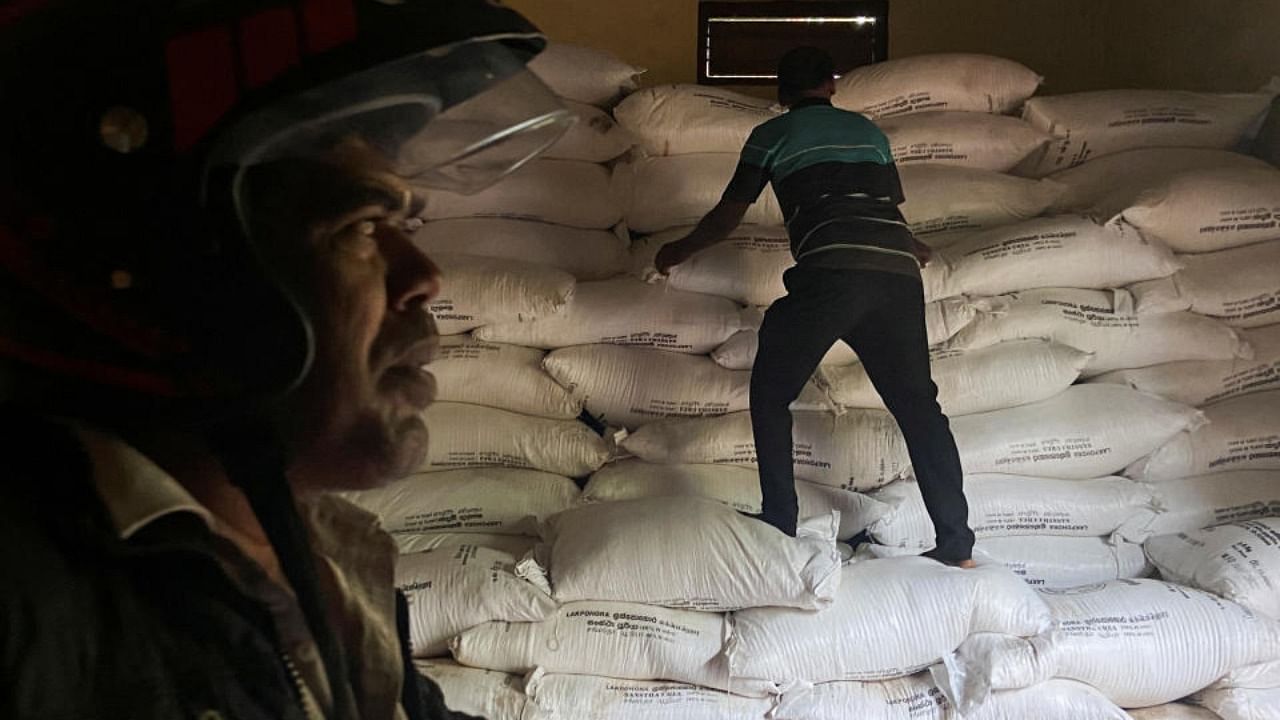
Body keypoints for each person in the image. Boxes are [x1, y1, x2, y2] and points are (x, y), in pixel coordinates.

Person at [0, 1, 574, 719]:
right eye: (363, 226)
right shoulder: (36, 602)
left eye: (406, 222)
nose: (423, 275)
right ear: (177, 271)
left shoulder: (317, 544)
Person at [655, 47, 976, 566]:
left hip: (830, 276)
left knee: (771, 390)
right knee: (921, 410)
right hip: (897, 277)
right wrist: (913, 249)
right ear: (831, 86)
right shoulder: (870, 133)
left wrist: (675, 252)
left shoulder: (770, 136)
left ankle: (780, 518)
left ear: (781, 94)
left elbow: (726, 218)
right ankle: (958, 546)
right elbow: (881, 209)